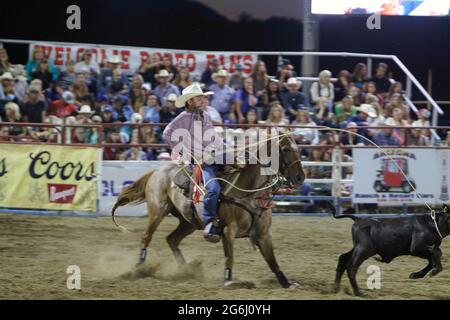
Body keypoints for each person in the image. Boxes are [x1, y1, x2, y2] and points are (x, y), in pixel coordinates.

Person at [163, 82, 225, 242]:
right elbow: (167, 133)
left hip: (212, 157)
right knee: (212, 188)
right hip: (198, 163)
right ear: (190, 101)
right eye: (199, 98)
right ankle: (209, 221)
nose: (202, 100)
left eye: (202, 98)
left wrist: (227, 149)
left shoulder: (205, 116)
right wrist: (188, 155)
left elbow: (214, 138)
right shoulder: (183, 118)